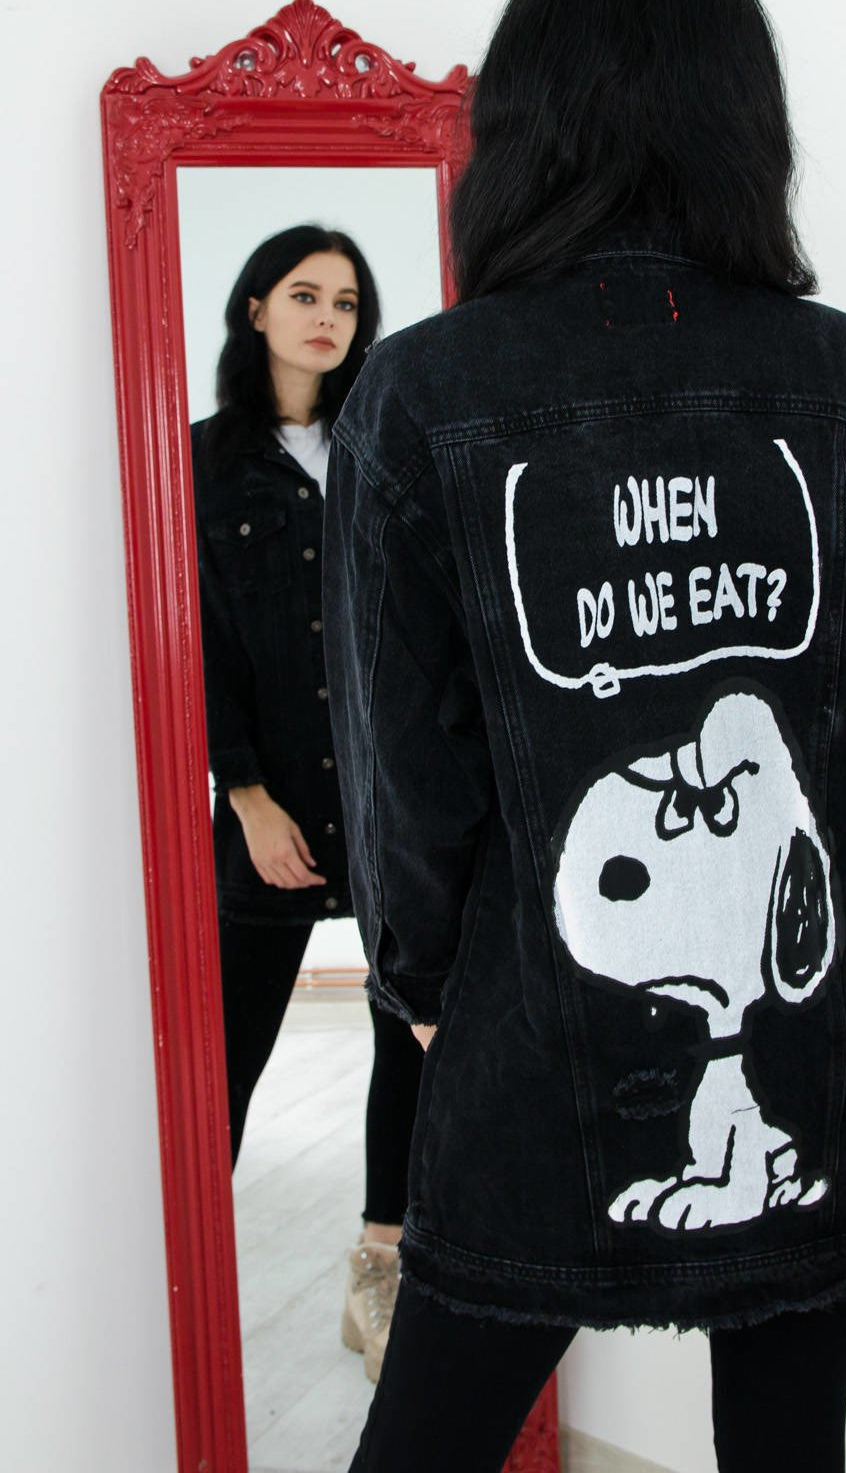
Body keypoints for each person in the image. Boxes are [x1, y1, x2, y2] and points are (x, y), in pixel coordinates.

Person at [322, 0, 846, 1472]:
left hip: (528, 1043)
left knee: (424, 1440)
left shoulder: (418, 397)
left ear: (517, 129)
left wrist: (427, 987)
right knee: (788, 1449)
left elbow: (397, 773)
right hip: (823, 1041)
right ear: (747, 126)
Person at [190, 225, 423, 1381]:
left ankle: (381, 1261)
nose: (327, 316)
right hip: (272, 802)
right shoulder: (200, 461)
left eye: (346, 299)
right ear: (256, 308)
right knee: (221, 1051)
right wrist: (245, 793)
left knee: (411, 1035)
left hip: (394, 800)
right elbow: (198, 639)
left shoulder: (385, 447)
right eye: (303, 293)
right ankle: (182, 1276)